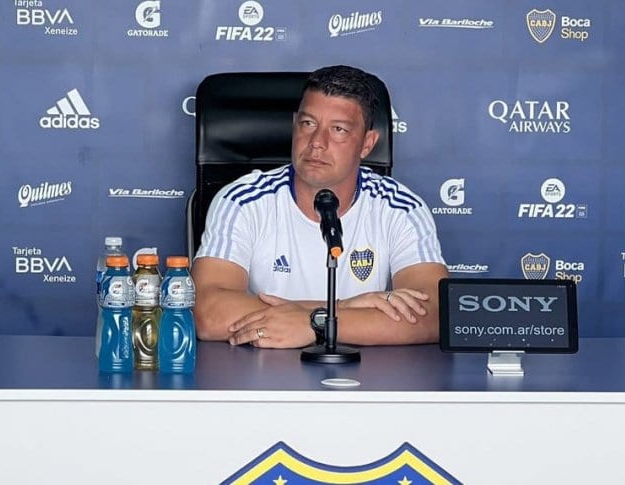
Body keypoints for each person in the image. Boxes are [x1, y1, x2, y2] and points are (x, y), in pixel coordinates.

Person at [191, 65, 448, 349]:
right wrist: (340, 308)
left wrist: (312, 324)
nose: (317, 143)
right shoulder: (243, 200)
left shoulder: (401, 209)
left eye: (338, 130)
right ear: (294, 125)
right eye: (308, 124)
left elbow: (435, 315)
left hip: (364, 373)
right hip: (261, 368)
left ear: (367, 144)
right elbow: (207, 312)